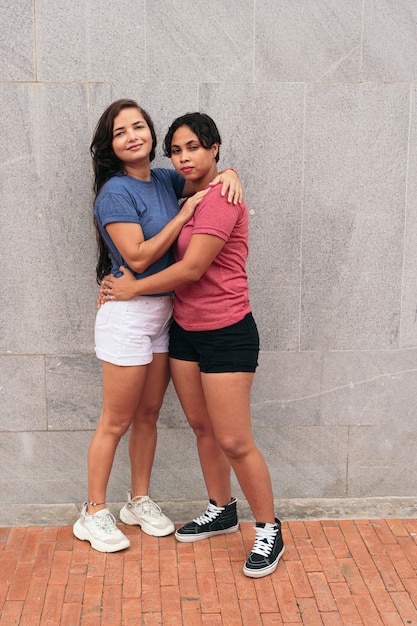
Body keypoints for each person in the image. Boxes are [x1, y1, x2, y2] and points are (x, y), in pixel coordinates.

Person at [100, 112, 285, 578]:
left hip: (226, 331)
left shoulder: (221, 197)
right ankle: (221, 508)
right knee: (203, 428)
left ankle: (268, 528)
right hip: (185, 329)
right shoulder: (183, 188)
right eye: (177, 150)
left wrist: (132, 288)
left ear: (215, 147)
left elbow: (191, 270)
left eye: (194, 148)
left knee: (234, 439)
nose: (184, 157)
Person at [73, 99, 242, 553]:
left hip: (162, 313)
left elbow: (206, 173)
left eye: (139, 127)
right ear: (110, 146)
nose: (133, 136)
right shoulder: (115, 191)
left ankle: (138, 501)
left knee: (147, 415)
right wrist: (185, 216)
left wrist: (230, 174)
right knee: (116, 419)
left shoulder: (165, 179)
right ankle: (92, 512)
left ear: (151, 135)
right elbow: (141, 257)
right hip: (127, 314)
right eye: (120, 131)